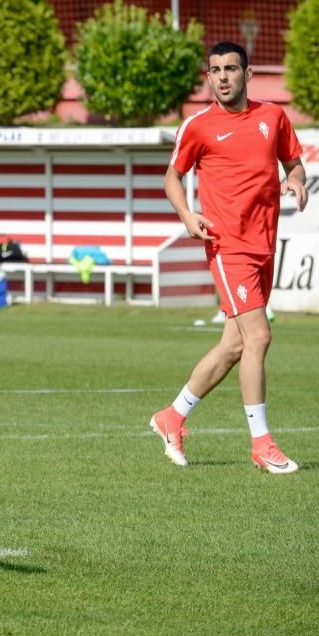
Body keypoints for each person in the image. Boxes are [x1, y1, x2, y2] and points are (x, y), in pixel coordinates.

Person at [152, 42, 308, 474]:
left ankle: (173, 416)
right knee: (258, 337)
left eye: (230, 69)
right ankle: (262, 444)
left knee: (235, 344)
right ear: (209, 76)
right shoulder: (198, 126)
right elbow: (172, 178)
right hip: (226, 246)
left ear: (247, 73)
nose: (222, 77)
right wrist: (186, 214)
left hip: (264, 245)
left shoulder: (272, 117)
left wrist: (297, 181)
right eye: (215, 70)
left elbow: (294, 163)